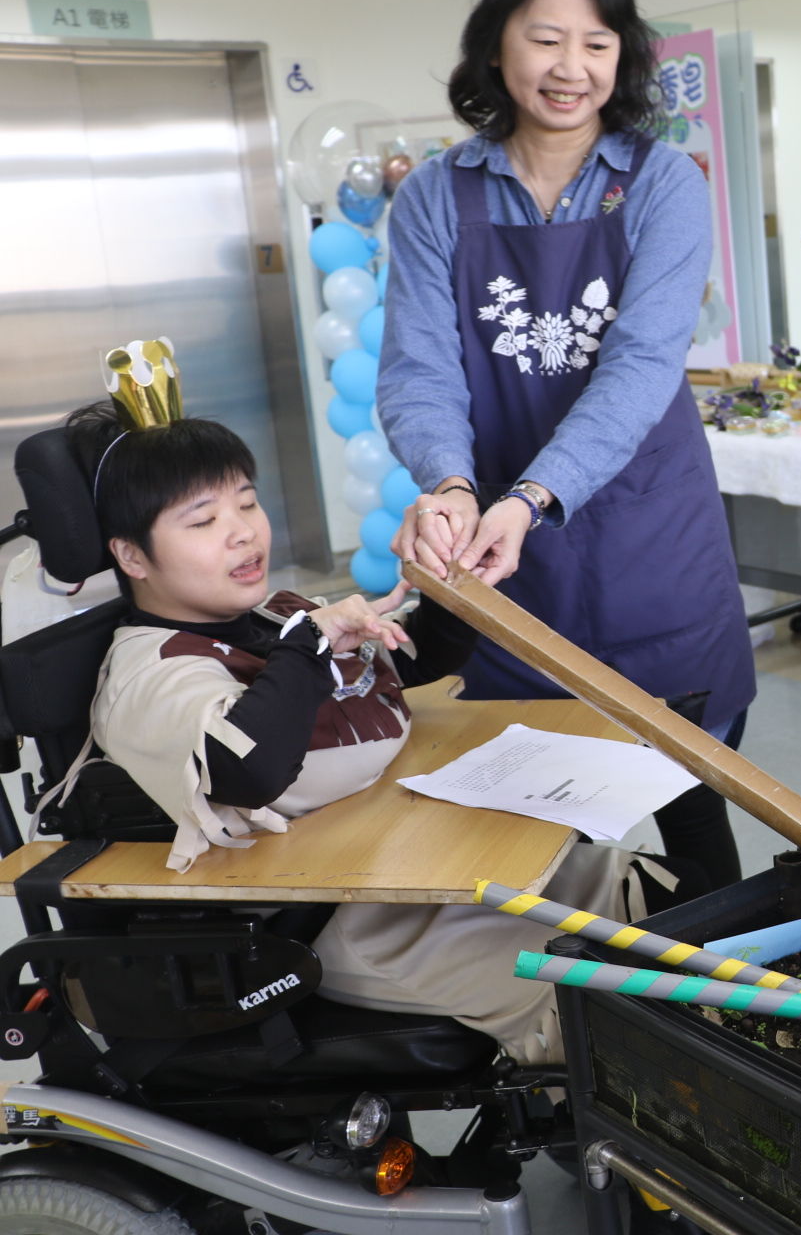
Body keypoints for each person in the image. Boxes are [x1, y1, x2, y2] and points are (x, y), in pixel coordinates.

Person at [64, 400, 694, 1065]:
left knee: (674, 897)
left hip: (420, 863)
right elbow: (244, 767)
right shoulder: (151, 670)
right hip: (347, 919)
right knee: (624, 1009)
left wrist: (450, 596)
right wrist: (308, 646)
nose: (243, 533)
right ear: (132, 554)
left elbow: (395, 668)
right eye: (204, 520)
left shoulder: (273, 613)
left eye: (247, 504)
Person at [378, 0, 753, 885]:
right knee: (530, 825)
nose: (569, 66)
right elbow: (421, 370)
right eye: (544, 38)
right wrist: (453, 486)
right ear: (496, 44)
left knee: (690, 802)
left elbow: (640, 369)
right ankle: (568, 1019)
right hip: (503, 553)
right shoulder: (436, 195)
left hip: (647, 535)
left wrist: (532, 496)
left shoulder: (663, 182)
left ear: (621, 54)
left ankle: (724, 1016)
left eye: (595, 41)